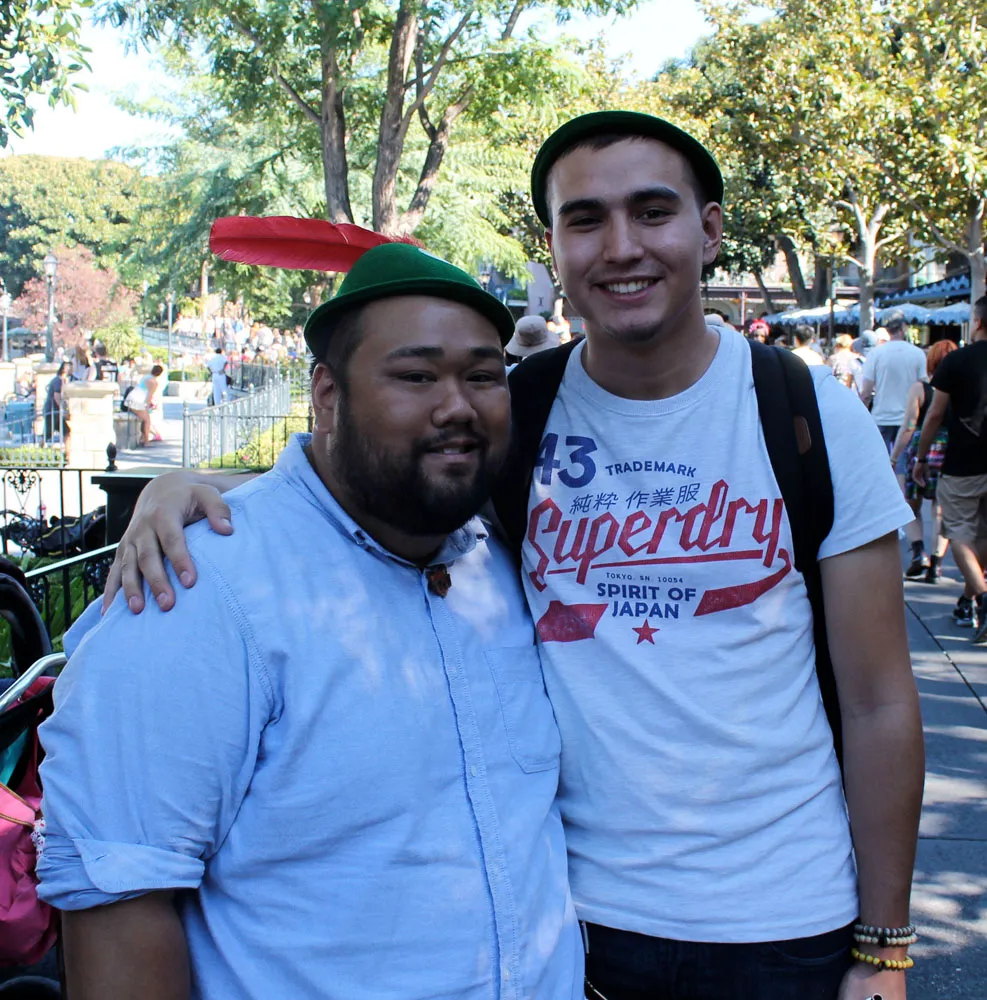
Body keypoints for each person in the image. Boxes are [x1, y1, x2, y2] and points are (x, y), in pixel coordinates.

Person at [101, 112, 925, 1000]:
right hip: (573, 919)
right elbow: (382, 478)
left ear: (710, 229)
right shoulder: (518, 409)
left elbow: (878, 698)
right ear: (554, 247)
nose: (621, 246)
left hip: (785, 917)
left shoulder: (804, 410)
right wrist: (187, 486)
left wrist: (883, 948)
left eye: (652, 211)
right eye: (585, 220)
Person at [36, 243, 583, 1000]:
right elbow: (120, 900)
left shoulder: (512, 563)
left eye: (483, 376)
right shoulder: (197, 592)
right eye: (416, 375)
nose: (457, 405)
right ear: (327, 394)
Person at [913, 296, 987, 637]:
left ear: (978, 321)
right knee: (982, 535)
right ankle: (968, 599)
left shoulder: (956, 361)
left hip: (963, 462)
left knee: (958, 531)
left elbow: (935, 414)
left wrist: (921, 457)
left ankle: (981, 598)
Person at [890, 340, 957, 583]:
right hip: (950, 448)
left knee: (911, 505)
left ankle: (919, 553)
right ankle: (937, 564)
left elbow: (909, 425)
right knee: (940, 508)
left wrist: (895, 455)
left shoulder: (920, 388)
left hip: (921, 448)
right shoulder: (961, 388)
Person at [858, 312, 926, 452]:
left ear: (888, 331)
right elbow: (924, 387)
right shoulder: (918, 353)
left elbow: (866, 392)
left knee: (880, 460)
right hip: (908, 419)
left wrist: (861, 416)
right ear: (903, 329)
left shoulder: (876, 354)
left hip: (881, 416)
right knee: (902, 461)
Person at [124, 364, 163, 447]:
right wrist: (147, 406)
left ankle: (143, 438)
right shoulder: (153, 382)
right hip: (138, 401)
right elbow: (149, 396)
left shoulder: (146, 377)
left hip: (132, 398)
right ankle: (146, 441)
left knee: (144, 419)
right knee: (147, 420)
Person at [42, 362, 68, 442]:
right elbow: (57, 396)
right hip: (53, 411)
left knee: (67, 432)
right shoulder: (58, 381)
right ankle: (39, 446)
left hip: (55, 412)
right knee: (48, 434)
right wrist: (63, 409)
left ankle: (68, 449)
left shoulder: (60, 380)